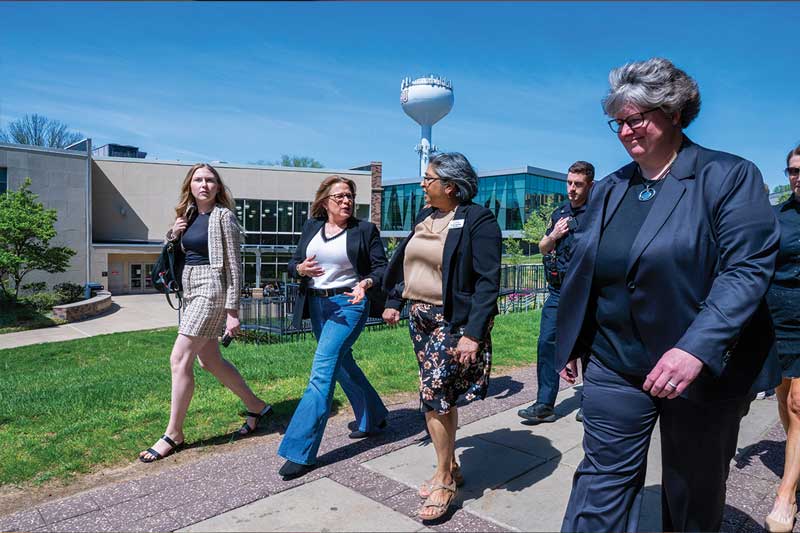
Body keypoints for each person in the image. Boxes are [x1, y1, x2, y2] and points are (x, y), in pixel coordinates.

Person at [556, 57, 781, 532]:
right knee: (599, 486)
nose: (625, 131)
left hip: (699, 373)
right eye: (618, 121)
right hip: (615, 364)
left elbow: (745, 270)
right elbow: (588, 270)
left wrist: (694, 349)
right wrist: (575, 338)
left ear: (675, 113)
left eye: (636, 118)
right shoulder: (610, 188)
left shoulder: (728, 176)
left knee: (691, 492)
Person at [383, 152, 501, 522]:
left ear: (450, 186)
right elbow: (406, 260)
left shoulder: (477, 220)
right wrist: (392, 300)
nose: (422, 184)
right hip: (418, 317)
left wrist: (473, 334)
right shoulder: (424, 217)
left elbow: (487, 282)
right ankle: (448, 463)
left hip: (452, 321)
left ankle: (444, 479)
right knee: (442, 397)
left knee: (433, 396)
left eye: (428, 178)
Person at [139, 163, 271, 462]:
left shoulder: (223, 217)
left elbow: (235, 265)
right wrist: (172, 234)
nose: (204, 185)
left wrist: (233, 310)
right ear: (190, 186)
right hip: (189, 288)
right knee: (209, 360)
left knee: (179, 358)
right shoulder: (187, 217)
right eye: (198, 179)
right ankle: (257, 405)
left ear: (218, 187)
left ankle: (174, 433)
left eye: (210, 180)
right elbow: (175, 253)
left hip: (212, 287)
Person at [277, 175, 389, 480]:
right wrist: (299, 269)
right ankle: (375, 417)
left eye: (350, 196)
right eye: (339, 196)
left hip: (349, 304)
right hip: (317, 305)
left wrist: (366, 283)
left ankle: (300, 451)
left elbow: (381, 267)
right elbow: (294, 264)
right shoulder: (312, 227)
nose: (346, 201)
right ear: (325, 201)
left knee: (322, 371)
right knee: (342, 365)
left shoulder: (364, 230)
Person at [517, 161, 594, 425]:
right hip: (558, 290)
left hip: (586, 292)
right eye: (569, 183)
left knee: (588, 346)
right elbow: (542, 246)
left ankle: (591, 403)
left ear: (590, 185)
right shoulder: (559, 213)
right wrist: (555, 234)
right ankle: (544, 405)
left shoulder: (597, 214)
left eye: (578, 184)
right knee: (546, 342)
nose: (571, 189)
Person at [764, 144, 800, 532]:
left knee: (798, 402)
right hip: (778, 325)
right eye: (793, 170)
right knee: (784, 400)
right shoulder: (776, 218)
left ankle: (786, 494)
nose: (798, 177)